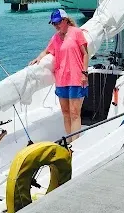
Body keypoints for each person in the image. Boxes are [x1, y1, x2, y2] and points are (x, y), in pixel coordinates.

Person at [29, 9, 89, 138]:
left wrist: (84, 73)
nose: (56, 26)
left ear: (65, 20)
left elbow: (85, 54)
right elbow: (46, 51)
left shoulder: (77, 33)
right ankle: (70, 141)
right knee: (66, 112)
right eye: (53, 23)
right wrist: (38, 58)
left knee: (74, 113)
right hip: (61, 79)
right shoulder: (55, 38)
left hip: (76, 77)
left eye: (58, 22)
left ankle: (75, 142)